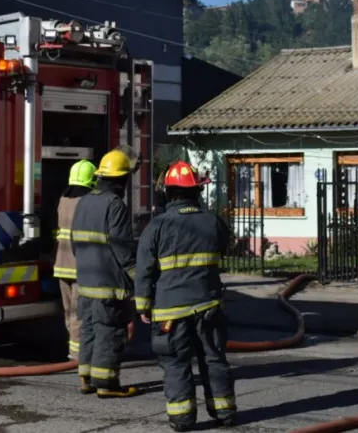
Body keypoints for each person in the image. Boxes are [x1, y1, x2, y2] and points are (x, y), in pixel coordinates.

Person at [135, 161, 235, 432]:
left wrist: (143, 305)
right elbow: (226, 247)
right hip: (210, 306)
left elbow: (144, 270)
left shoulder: (156, 226)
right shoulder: (214, 222)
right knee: (214, 359)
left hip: (171, 312)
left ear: (168, 192)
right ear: (197, 192)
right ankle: (224, 412)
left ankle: (182, 419)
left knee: (176, 364)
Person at [71, 148, 139, 398]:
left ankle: (86, 378)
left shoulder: (84, 202)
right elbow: (122, 248)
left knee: (88, 329)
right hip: (108, 284)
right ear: (121, 179)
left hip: (86, 283)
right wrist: (138, 279)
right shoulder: (115, 204)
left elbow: (74, 243)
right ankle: (107, 384)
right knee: (109, 332)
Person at [54, 159, 97, 360]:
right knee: (80, 313)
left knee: (69, 311)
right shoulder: (87, 202)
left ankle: (74, 349)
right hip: (80, 266)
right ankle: (78, 355)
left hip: (61, 265)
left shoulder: (63, 199)